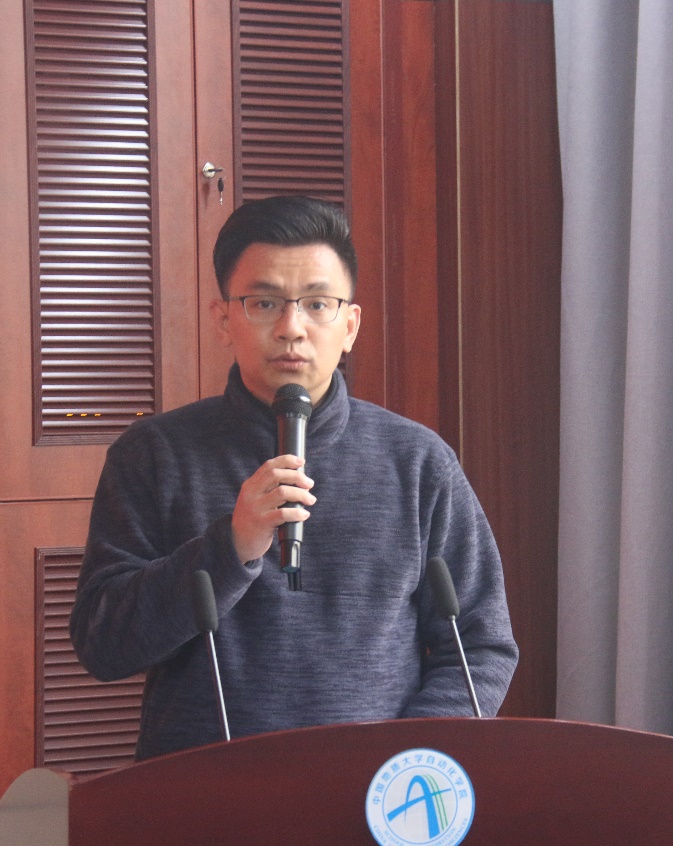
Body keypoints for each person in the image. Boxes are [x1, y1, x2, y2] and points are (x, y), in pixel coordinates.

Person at [70, 195, 518, 759]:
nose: (291, 328)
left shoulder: (418, 462)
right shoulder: (154, 455)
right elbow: (103, 645)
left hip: (373, 793)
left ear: (350, 325)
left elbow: (480, 645)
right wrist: (230, 547)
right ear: (223, 320)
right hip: (204, 791)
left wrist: (405, 763)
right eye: (264, 303)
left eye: (317, 304)